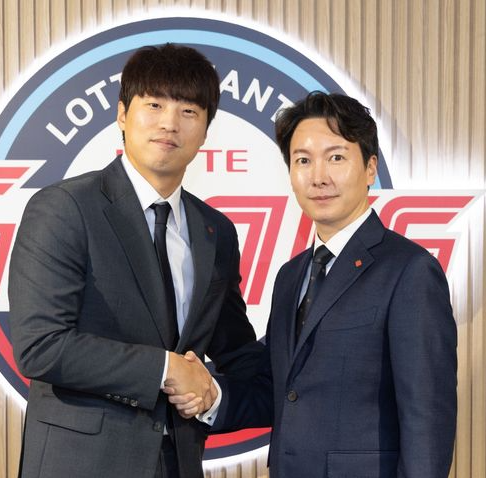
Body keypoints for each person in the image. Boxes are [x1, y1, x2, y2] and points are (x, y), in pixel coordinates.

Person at [169, 92, 457, 477]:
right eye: (303, 160)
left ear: (370, 168)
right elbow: (279, 390)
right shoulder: (291, 276)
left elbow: (427, 420)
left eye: (336, 157)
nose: (319, 177)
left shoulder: (410, 271)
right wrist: (209, 394)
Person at [8, 43, 262, 478]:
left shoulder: (215, 231)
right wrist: (165, 369)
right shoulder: (66, 207)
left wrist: (218, 393)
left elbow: (236, 351)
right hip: (81, 465)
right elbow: (41, 346)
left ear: (205, 131)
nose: (169, 123)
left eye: (188, 111)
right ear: (123, 114)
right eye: (154, 105)